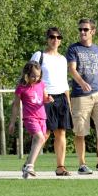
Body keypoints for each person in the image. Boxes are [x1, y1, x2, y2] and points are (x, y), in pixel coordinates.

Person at [66, 18, 98, 174]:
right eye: (80, 29)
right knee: (80, 131)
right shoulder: (73, 49)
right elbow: (72, 69)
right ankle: (82, 164)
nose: (82, 32)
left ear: (93, 31)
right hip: (80, 96)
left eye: (85, 29)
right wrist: (81, 82)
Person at [30, 27, 73, 175]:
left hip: (61, 97)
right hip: (45, 98)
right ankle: (30, 164)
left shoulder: (63, 59)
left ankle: (60, 167)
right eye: (52, 37)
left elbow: (64, 82)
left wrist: (69, 102)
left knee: (61, 133)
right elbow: (30, 76)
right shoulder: (39, 55)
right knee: (44, 133)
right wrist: (42, 94)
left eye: (58, 37)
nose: (55, 40)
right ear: (47, 39)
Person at [8, 62, 53, 178]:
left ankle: (26, 165)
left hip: (42, 117)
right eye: (33, 76)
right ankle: (30, 166)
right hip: (30, 118)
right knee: (40, 138)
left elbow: (44, 98)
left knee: (38, 142)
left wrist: (49, 99)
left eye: (38, 76)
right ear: (26, 74)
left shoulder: (41, 84)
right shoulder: (21, 88)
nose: (36, 78)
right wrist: (12, 122)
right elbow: (16, 106)